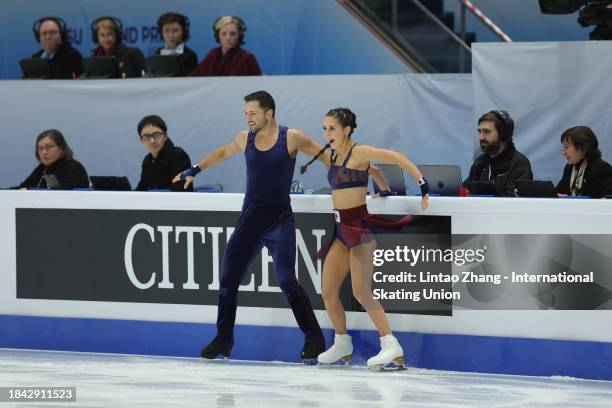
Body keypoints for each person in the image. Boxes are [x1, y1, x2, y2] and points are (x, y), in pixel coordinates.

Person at [173, 90, 325, 362]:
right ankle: (223, 338)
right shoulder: (245, 138)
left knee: (287, 280)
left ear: (269, 113)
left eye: (252, 113)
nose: (248, 118)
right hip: (250, 220)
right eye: (245, 113)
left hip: (279, 220)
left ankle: (314, 337)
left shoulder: (291, 137)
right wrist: (195, 169)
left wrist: (350, 176)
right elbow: (222, 153)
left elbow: (323, 155)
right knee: (228, 278)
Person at [300, 108, 429, 370]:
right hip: (339, 229)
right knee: (328, 292)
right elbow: (375, 170)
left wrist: (422, 184)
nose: (327, 134)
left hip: (358, 229)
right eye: (324, 128)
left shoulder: (358, 152)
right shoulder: (335, 155)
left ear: (346, 129)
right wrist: (383, 189)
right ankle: (342, 343)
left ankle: (391, 345)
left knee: (361, 292)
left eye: (332, 128)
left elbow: (397, 157)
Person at [463, 110, 533, 196]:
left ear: (503, 134)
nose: (481, 137)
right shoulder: (480, 162)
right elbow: (466, 192)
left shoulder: (519, 164)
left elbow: (513, 204)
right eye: (479, 132)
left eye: (486, 132)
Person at [135, 115, 193, 192]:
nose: (152, 141)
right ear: (141, 141)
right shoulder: (147, 161)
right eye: (146, 137)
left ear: (165, 136)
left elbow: (179, 191)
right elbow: (142, 189)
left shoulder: (178, 156)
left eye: (157, 135)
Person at [190, 16, 261, 76]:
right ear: (218, 35)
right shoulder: (212, 54)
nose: (228, 38)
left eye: (233, 34)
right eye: (224, 34)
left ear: (239, 36)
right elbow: (195, 78)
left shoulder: (247, 58)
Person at [19, 129, 89, 190]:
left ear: (61, 149)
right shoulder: (43, 168)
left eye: (49, 147)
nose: (44, 152)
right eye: (40, 148)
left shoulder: (73, 168)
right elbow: (23, 187)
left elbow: (64, 196)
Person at [556, 126, 612, 198]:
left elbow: (608, 200)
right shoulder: (569, 168)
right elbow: (557, 192)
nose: (563, 152)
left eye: (566, 147)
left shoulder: (602, 169)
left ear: (584, 148)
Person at [154, 12, 198, 76]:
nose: (171, 35)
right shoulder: (158, 52)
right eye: (166, 30)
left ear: (183, 31)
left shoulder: (190, 55)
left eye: (175, 30)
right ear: (161, 32)